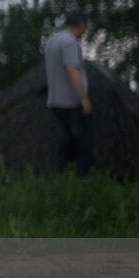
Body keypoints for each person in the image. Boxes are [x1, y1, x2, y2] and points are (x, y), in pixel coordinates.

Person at [44, 9, 94, 175]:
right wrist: (84, 98)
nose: (85, 32)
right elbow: (72, 70)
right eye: (85, 28)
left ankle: (60, 175)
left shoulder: (52, 41)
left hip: (54, 101)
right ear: (81, 25)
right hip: (70, 102)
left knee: (66, 141)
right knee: (81, 141)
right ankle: (82, 178)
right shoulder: (69, 42)